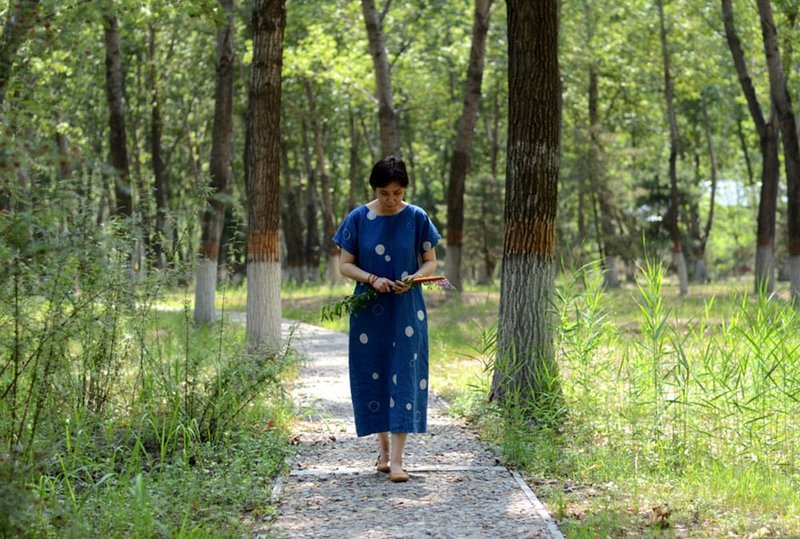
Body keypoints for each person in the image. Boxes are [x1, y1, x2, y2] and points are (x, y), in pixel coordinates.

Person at [332, 156, 440, 483]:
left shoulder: (417, 217)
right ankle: (382, 450)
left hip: (407, 310)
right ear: (374, 190)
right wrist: (372, 279)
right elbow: (345, 264)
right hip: (369, 311)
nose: (391, 200)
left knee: (404, 374)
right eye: (384, 193)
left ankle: (397, 461)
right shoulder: (358, 218)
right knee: (373, 373)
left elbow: (431, 262)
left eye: (396, 192)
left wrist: (414, 278)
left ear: (404, 188)